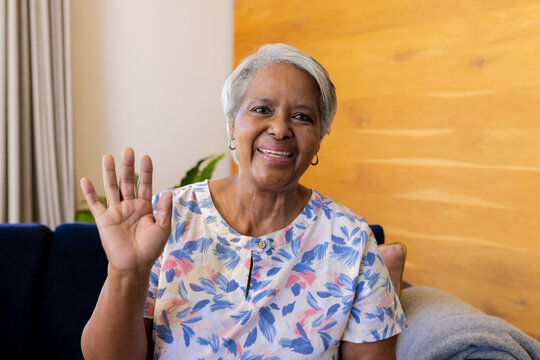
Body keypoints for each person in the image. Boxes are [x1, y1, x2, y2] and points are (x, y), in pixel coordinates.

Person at [80, 44, 406, 360]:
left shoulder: (352, 240)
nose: (279, 129)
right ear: (232, 125)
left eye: (302, 117)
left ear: (319, 138)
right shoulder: (169, 217)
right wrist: (124, 272)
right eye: (262, 110)